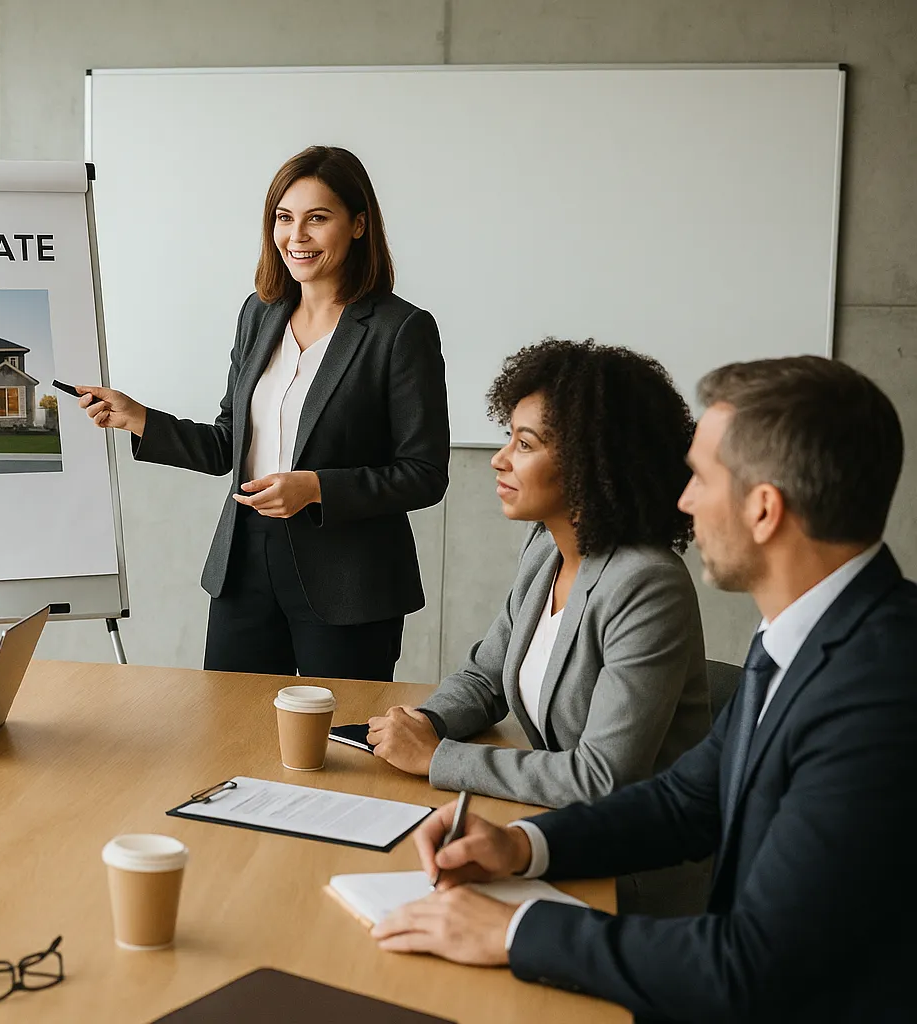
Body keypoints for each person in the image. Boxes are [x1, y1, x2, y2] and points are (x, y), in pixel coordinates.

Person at [371, 357, 915, 1022]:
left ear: (764, 509)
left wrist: (512, 933)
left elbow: (752, 964)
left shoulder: (880, 691)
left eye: (703, 480)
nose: (682, 501)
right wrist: (524, 847)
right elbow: (688, 800)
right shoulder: (809, 631)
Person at [74, 145, 449, 681]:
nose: (296, 236)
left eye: (317, 219)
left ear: (359, 224)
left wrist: (315, 488)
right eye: (284, 218)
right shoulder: (259, 313)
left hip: (348, 582)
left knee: (338, 747)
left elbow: (424, 475)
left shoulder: (400, 330)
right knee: (229, 737)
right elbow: (229, 444)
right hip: (244, 566)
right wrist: (138, 418)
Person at [367, 340, 711, 813]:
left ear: (591, 461)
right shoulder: (545, 548)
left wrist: (438, 757)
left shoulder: (646, 584)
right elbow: (484, 679)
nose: (499, 458)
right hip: (549, 817)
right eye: (509, 438)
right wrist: (424, 723)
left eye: (524, 444)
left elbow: (600, 778)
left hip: (628, 865)